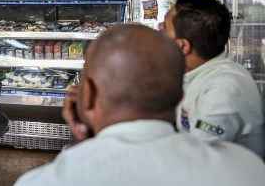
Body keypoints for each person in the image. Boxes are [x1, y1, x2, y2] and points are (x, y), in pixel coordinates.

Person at [16, 24, 265, 186]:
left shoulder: (43, 181)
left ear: (88, 95)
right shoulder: (247, 169)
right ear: (180, 95)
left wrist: (82, 143)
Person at [160, 0, 264, 157]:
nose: (158, 32)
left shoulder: (225, 89)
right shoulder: (197, 73)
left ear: (182, 46)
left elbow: (196, 156)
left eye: (163, 27)